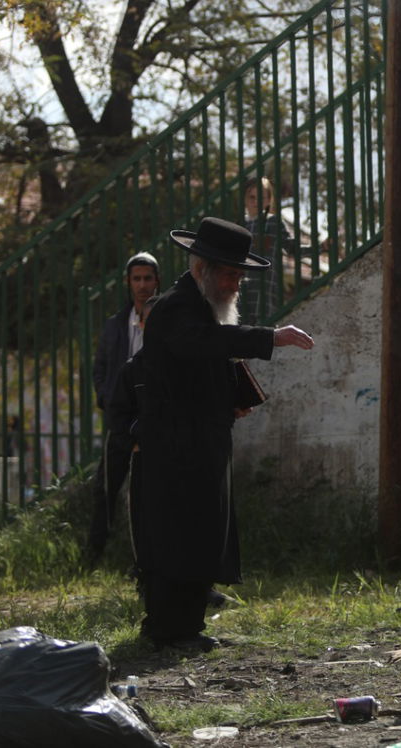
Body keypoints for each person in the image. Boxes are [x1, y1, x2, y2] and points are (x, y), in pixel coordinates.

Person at [116, 216, 314, 651]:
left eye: (240, 276)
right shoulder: (176, 307)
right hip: (174, 447)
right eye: (230, 274)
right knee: (176, 536)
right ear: (202, 268)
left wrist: (230, 399)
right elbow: (206, 344)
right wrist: (271, 338)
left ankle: (187, 626)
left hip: (200, 443)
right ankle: (169, 630)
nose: (236, 285)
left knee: (200, 531)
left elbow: (204, 365)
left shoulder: (198, 307)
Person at [85, 251, 160, 562]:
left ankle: (146, 559)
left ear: (157, 281)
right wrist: (107, 399)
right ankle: (92, 555)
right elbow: (100, 368)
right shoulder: (115, 324)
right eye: (136, 279)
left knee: (152, 495)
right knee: (106, 488)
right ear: (128, 283)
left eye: (148, 278)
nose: (142, 285)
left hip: (155, 420)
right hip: (121, 419)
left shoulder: (165, 318)